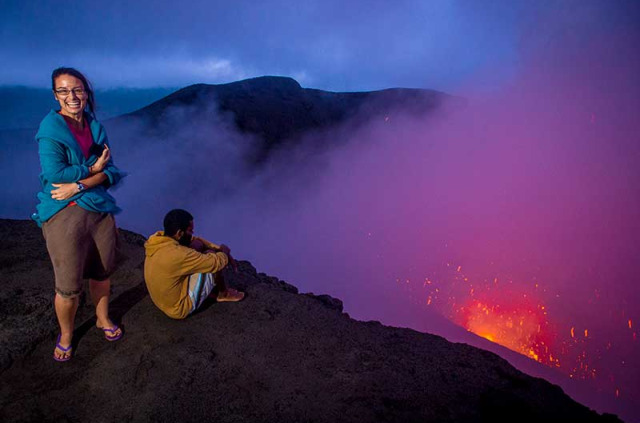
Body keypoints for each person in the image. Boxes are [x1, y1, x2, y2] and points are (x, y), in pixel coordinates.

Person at [32, 67, 125, 362]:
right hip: (64, 213)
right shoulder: (50, 131)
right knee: (69, 286)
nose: (72, 96)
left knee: (102, 273)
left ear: (86, 92)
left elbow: (112, 171)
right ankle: (67, 333)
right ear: (55, 95)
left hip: (98, 210)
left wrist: (83, 182)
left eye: (77, 90)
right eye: (64, 90)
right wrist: (92, 170)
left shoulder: (95, 127)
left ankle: (102, 318)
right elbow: (55, 175)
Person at [144, 209, 244, 320]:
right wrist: (224, 251)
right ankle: (223, 294)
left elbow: (196, 240)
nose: (192, 233)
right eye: (190, 231)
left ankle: (205, 290)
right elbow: (216, 263)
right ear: (179, 233)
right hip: (178, 308)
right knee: (211, 258)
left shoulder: (157, 239)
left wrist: (218, 248)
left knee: (197, 245)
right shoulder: (178, 254)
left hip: (162, 301)